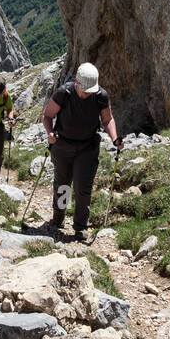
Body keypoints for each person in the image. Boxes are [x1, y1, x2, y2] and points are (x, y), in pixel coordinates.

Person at [40, 62, 122, 241]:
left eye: (90, 90)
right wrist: (50, 133)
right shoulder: (64, 93)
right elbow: (47, 115)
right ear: (76, 83)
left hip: (88, 146)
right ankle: (58, 217)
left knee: (83, 187)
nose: (87, 94)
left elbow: (107, 120)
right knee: (63, 184)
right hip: (62, 146)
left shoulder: (100, 96)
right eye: (85, 90)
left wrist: (115, 138)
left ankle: (80, 226)